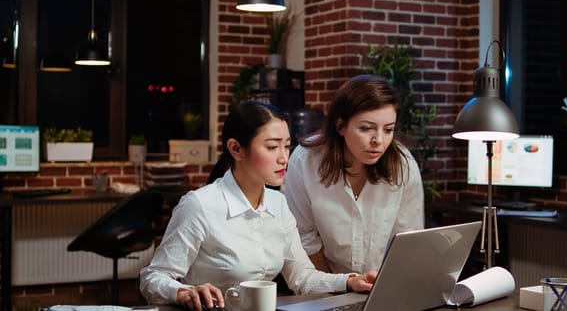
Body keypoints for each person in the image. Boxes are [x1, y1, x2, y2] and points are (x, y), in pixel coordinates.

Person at [139, 101, 377, 311]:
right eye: (272, 147)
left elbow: (301, 277)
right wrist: (182, 292)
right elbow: (153, 277)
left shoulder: (278, 203)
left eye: (286, 145)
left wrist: (350, 281)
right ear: (236, 149)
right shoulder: (200, 205)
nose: (284, 157)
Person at [282, 74, 425, 274]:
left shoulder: (403, 165)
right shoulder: (305, 161)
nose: (379, 140)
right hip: (322, 286)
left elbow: (409, 239)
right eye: (367, 128)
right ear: (340, 126)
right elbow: (304, 237)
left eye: (388, 129)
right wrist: (339, 287)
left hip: (381, 286)